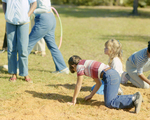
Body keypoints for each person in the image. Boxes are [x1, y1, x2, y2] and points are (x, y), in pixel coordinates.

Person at [67, 55, 143, 113]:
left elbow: (78, 84)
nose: (76, 71)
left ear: (73, 66)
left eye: (73, 69)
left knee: (109, 102)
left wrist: (73, 100)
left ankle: (133, 98)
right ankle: (134, 99)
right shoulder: (87, 65)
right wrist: (91, 95)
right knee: (111, 99)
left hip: (109, 76)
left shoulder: (79, 66)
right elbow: (98, 83)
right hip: (114, 74)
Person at [27, 0, 69, 74]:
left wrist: (31, 12)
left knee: (27, 44)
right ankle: (62, 68)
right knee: (52, 45)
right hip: (50, 18)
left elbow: (44, 8)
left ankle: (16, 67)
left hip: (43, 19)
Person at [2, 0, 37, 82]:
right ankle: (13, 73)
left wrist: (27, 15)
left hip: (24, 22)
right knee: (11, 49)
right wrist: (6, 14)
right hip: (10, 22)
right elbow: (4, 2)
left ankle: (25, 73)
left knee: (23, 49)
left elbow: (34, 3)